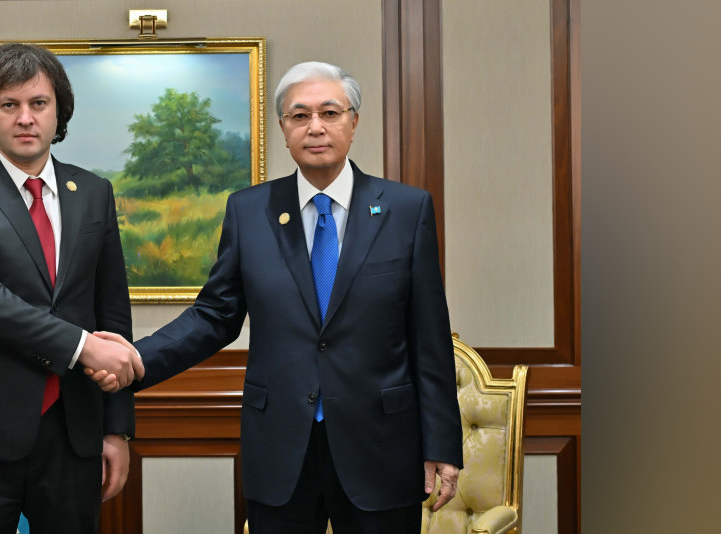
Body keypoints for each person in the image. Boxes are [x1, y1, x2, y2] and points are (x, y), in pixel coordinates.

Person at [93, 61, 462, 533]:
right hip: (281, 449)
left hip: (382, 447)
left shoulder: (407, 209)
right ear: (284, 129)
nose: (315, 127)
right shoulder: (250, 211)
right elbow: (215, 315)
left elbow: (429, 336)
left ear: (353, 122)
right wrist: (136, 360)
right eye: (299, 115)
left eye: (330, 113)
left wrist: (442, 443)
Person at [0, 42, 142, 534]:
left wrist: (117, 428)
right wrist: (82, 346)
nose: (25, 118)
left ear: (58, 111)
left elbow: (113, 315)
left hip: (75, 431)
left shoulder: (95, 192)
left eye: (38, 103)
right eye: (9, 104)